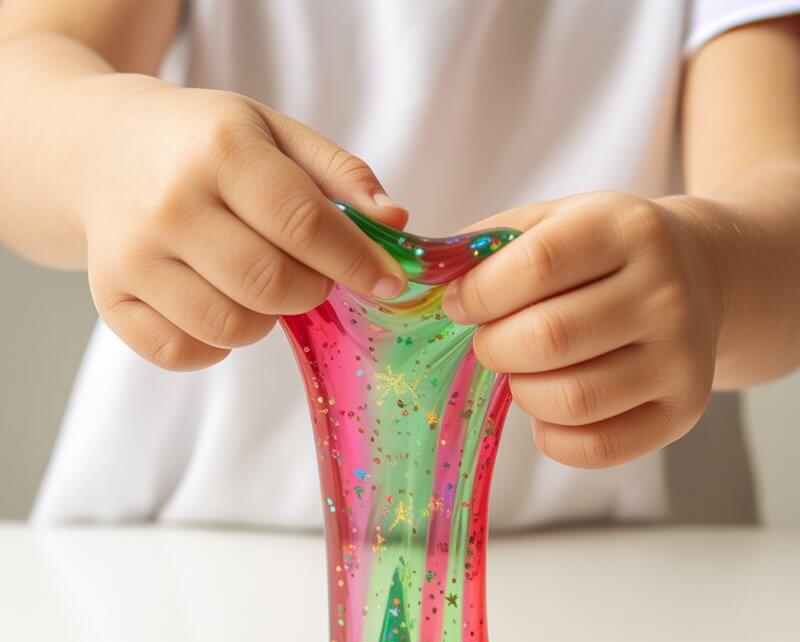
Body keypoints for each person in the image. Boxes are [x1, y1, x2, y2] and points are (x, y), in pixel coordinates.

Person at [0, 0, 798, 530]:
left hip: (618, 573)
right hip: (165, 551)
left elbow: (781, 206)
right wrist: (102, 147)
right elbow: (25, 74)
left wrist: (714, 270)